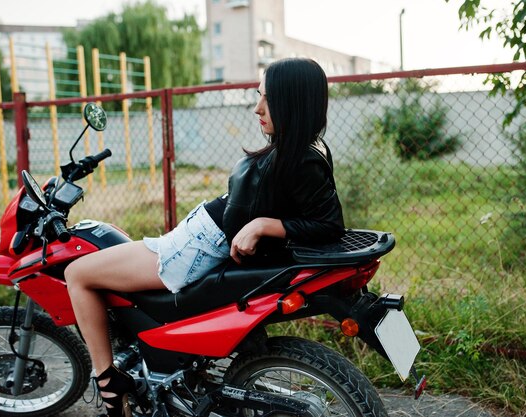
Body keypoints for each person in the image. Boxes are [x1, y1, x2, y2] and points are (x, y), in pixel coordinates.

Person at [65, 57, 345, 417]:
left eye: (267, 100)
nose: (257, 108)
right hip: (194, 241)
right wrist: (264, 222)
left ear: (292, 102)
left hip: (190, 251)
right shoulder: (300, 151)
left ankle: (108, 383)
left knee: (77, 273)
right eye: (257, 96)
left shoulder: (299, 160)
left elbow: (329, 225)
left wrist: (263, 225)